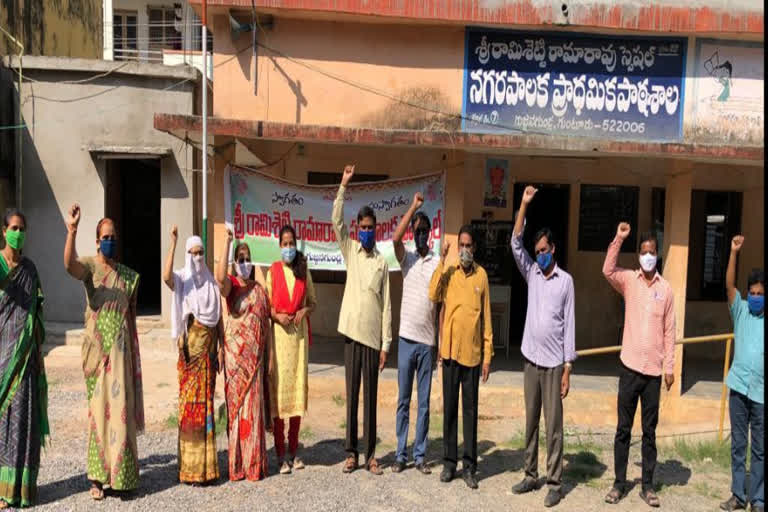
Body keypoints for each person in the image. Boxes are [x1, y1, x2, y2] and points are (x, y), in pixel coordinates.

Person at [63, 204, 144, 500]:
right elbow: (68, 265)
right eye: (105, 236)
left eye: (113, 236)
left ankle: (122, 477)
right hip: (97, 355)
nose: (110, 240)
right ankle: (97, 479)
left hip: (121, 357)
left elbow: (131, 318)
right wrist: (72, 230)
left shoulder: (127, 276)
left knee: (120, 415)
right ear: (97, 241)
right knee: (99, 416)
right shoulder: (91, 268)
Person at [509, 186, 575, 508]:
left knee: (554, 425)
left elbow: (570, 324)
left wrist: (568, 367)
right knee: (531, 420)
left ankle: (555, 481)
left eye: (545, 250)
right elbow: (514, 242)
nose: (540, 255)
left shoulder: (565, 281)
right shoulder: (532, 272)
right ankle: (530, 473)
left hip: (552, 364)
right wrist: (523, 204)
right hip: (530, 360)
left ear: (554, 249)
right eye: (537, 251)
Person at [602, 223, 675, 508]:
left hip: (654, 374)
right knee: (623, 429)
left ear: (658, 255)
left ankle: (647, 485)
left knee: (649, 432)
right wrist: (619, 237)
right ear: (638, 256)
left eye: (652, 252)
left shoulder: (666, 290)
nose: (648, 256)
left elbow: (670, 331)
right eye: (644, 252)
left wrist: (669, 366)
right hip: (630, 368)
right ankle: (619, 484)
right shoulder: (629, 280)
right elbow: (608, 269)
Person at [333, 164, 392, 476]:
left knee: (370, 399)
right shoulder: (351, 251)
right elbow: (336, 221)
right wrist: (344, 186)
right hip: (351, 336)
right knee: (352, 396)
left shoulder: (382, 263)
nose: (367, 232)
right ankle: (351, 454)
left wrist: (386, 345)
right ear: (358, 230)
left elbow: (387, 308)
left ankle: (370, 456)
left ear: (376, 229)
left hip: (372, 340)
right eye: (363, 227)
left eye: (371, 227)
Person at [429, 225, 493, 489]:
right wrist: (442, 261)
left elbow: (486, 318)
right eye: (461, 246)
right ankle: (449, 463)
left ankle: (469, 467)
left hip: (472, 355)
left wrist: (488, 355)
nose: (464, 250)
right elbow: (433, 294)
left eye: (468, 246)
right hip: (451, 354)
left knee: (470, 411)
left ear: (474, 248)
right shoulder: (450, 272)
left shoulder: (482, 276)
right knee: (450, 412)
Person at [163, 227, 222, 485]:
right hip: (190, 354)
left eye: (200, 253)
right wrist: (174, 243)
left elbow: (217, 319)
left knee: (207, 407)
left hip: (208, 354)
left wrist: (219, 347)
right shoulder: (183, 278)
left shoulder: (211, 282)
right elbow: (166, 277)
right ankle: (188, 466)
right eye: (193, 254)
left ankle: (206, 468)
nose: (197, 258)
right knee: (190, 408)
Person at [0, 209, 49, 508]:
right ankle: (2, 490)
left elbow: (38, 313)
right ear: (3, 231)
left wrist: (39, 351)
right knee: (3, 424)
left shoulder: (30, 269)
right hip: (2, 357)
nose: (18, 232)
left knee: (24, 423)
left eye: (22, 228)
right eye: (14, 227)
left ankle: (22, 489)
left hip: (27, 358)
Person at [215, 229, 271, 481]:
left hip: (255, 362)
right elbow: (219, 279)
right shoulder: (233, 285)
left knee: (254, 411)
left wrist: (269, 359)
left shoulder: (260, 290)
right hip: (235, 362)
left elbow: (266, 327)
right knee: (236, 412)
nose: (245, 263)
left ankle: (254, 464)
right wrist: (227, 244)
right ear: (235, 263)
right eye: (240, 259)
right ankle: (237, 464)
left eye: (248, 258)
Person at [390, 192, 439, 475]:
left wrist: (439, 345)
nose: (420, 236)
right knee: (403, 401)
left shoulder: (437, 261)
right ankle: (400, 454)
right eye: (416, 232)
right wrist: (413, 208)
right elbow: (395, 239)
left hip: (427, 342)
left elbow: (441, 302)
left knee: (424, 404)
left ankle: (420, 456)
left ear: (429, 234)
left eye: (424, 232)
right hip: (406, 339)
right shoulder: (406, 258)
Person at [266, 225, 316, 475]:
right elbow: (267, 308)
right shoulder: (273, 272)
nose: (288, 248)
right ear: (279, 246)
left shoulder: (303, 271)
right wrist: (277, 317)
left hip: (298, 343)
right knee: (279, 399)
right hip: (279, 341)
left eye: (291, 243)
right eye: (284, 243)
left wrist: (302, 311)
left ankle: (294, 452)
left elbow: (312, 304)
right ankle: (279, 455)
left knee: (296, 398)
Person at [720, 235, 764, 512]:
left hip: (761, 393)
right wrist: (734, 252)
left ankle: (758, 499)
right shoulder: (741, 311)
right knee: (738, 445)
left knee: (759, 449)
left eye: (761, 294)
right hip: (738, 388)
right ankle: (738, 495)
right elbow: (729, 285)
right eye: (753, 293)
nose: (756, 297)